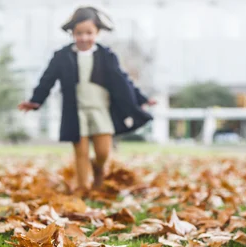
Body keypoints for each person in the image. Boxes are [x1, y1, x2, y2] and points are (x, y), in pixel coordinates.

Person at [18, 6, 155, 193]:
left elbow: (124, 80)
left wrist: (141, 99)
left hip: (101, 110)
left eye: (89, 33)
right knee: (80, 153)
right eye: (79, 33)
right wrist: (36, 100)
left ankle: (98, 168)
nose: (84, 38)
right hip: (76, 111)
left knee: (103, 152)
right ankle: (83, 188)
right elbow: (47, 79)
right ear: (72, 32)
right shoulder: (62, 56)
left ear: (97, 32)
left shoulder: (107, 56)